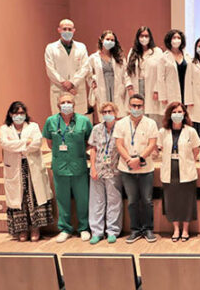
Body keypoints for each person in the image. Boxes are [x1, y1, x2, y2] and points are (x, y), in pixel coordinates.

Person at [0, 101, 54, 242]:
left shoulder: (33, 126)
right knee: (20, 199)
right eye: (16, 113)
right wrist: (25, 143)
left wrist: (18, 145)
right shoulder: (4, 128)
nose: (19, 116)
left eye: (22, 113)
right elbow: (5, 144)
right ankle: (22, 230)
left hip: (31, 167)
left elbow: (36, 143)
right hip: (15, 168)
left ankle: (35, 229)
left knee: (33, 196)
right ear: (11, 114)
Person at [43, 93, 93, 242]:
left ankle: (84, 227)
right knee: (62, 200)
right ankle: (65, 229)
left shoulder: (83, 121)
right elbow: (50, 143)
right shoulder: (50, 121)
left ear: (74, 104)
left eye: (69, 102)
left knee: (83, 199)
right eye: (63, 102)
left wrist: (78, 151)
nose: (66, 104)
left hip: (79, 166)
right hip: (60, 166)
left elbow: (90, 140)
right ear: (58, 106)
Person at [114, 94, 159, 243]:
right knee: (132, 200)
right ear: (129, 107)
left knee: (146, 200)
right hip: (127, 168)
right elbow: (119, 144)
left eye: (139, 106)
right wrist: (129, 160)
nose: (136, 109)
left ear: (143, 107)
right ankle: (135, 229)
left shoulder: (151, 123)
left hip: (146, 167)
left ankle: (148, 229)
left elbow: (152, 144)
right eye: (133, 106)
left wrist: (139, 159)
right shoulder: (120, 123)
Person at [159, 102, 200, 242]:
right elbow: (158, 149)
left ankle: (186, 229)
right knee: (172, 201)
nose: (177, 114)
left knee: (187, 201)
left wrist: (189, 161)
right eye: (174, 112)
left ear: (184, 114)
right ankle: (176, 229)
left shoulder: (191, 131)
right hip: (170, 170)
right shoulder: (163, 132)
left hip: (186, 170)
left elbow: (196, 151)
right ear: (169, 114)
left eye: (180, 112)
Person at [87, 102, 123, 244]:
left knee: (114, 201)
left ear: (115, 112)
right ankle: (96, 232)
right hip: (98, 170)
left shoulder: (120, 129)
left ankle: (112, 231)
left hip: (114, 170)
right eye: (105, 112)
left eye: (110, 111)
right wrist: (93, 168)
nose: (107, 114)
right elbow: (93, 149)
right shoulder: (96, 129)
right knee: (97, 201)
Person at [45, 19, 91, 115]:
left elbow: (85, 67)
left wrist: (72, 82)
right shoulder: (51, 48)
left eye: (69, 29)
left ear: (74, 30)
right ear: (59, 30)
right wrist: (65, 84)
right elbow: (50, 69)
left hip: (76, 89)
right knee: (60, 121)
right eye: (64, 29)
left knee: (78, 121)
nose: (67, 32)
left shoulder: (81, 47)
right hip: (59, 89)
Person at [125, 26, 164, 126]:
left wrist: (157, 89)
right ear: (138, 37)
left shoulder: (157, 52)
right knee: (137, 114)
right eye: (141, 36)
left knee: (152, 117)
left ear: (150, 37)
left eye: (146, 36)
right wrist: (129, 87)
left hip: (152, 87)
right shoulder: (132, 52)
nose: (144, 38)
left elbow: (161, 73)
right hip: (136, 86)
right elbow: (127, 71)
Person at [88, 30, 130, 117]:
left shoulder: (119, 57)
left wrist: (128, 86)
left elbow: (125, 73)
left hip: (117, 89)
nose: (110, 42)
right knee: (105, 115)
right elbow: (88, 74)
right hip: (102, 89)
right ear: (102, 40)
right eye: (107, 39)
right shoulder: (93, 58)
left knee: (119, 116)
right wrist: (92, 83)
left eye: (112, 40)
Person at [159, 29, 193, 109]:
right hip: (171, 92)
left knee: (185, 114)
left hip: (185, 90)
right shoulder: (164, 57)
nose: (176, 40)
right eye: (174, 38)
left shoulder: (187, 56)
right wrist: (163, 96)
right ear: (169, 40)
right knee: (172, 114)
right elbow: (160, 78)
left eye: (179, 38)